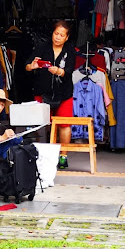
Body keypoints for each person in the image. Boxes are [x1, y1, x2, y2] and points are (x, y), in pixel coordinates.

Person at [25, 20, 76, 169]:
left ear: (66, 38)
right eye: (56, 33)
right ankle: (40, 156)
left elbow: (69, 70)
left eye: (61, 35)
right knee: (40, 125)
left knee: (64, 125)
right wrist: (32, 66)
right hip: (42, 91)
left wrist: (59, 71)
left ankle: (63, 156)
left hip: (64, 93)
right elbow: (27, 65)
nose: (58, 37)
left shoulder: (70, 50)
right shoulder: (42, 47)